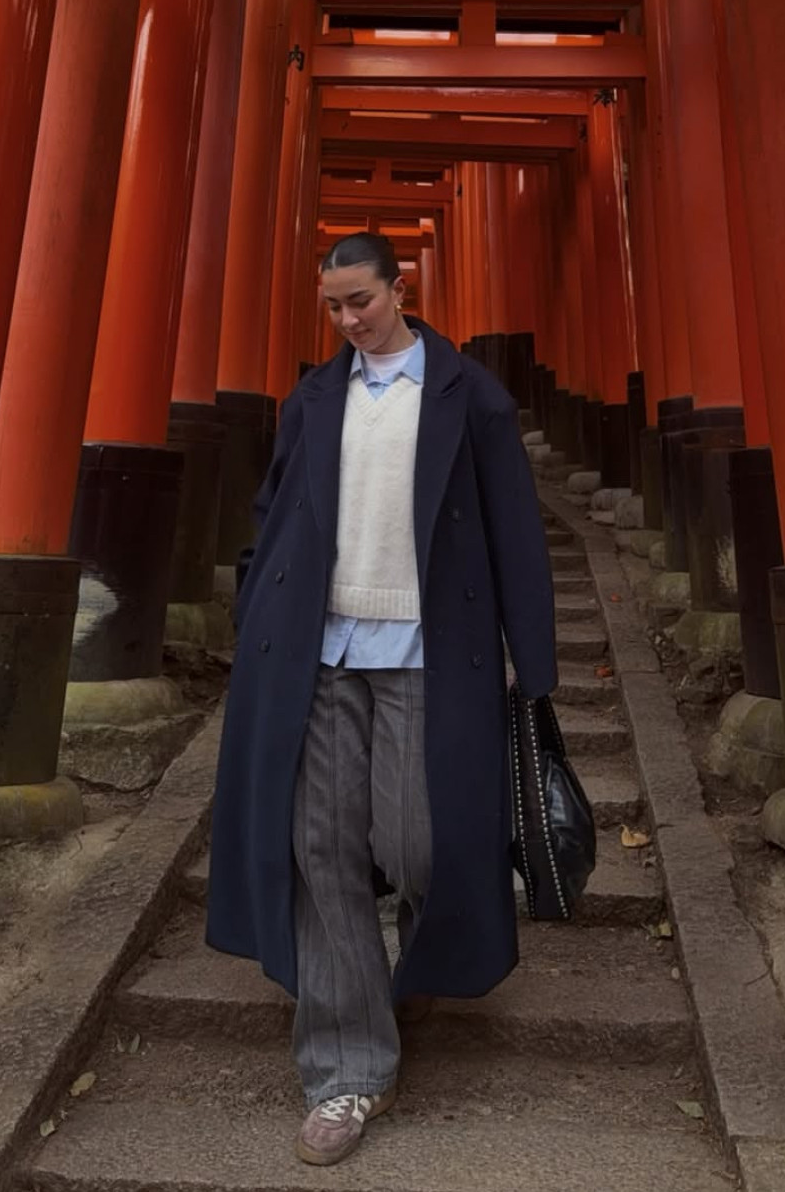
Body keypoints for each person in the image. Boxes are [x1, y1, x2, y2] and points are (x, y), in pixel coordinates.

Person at [206, 232, 557, 1167]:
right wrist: (256, 599)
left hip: (423, 652)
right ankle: (345, 1069)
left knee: (416, 840)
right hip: (320, 651)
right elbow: (273, 510)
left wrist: (533, 658)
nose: (347, 320)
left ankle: (419, 960)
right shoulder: (315, 398)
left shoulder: (468, 396)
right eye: (331, 306)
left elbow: (516, 528)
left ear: (402, 287)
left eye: (360, 299)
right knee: (319, 845)